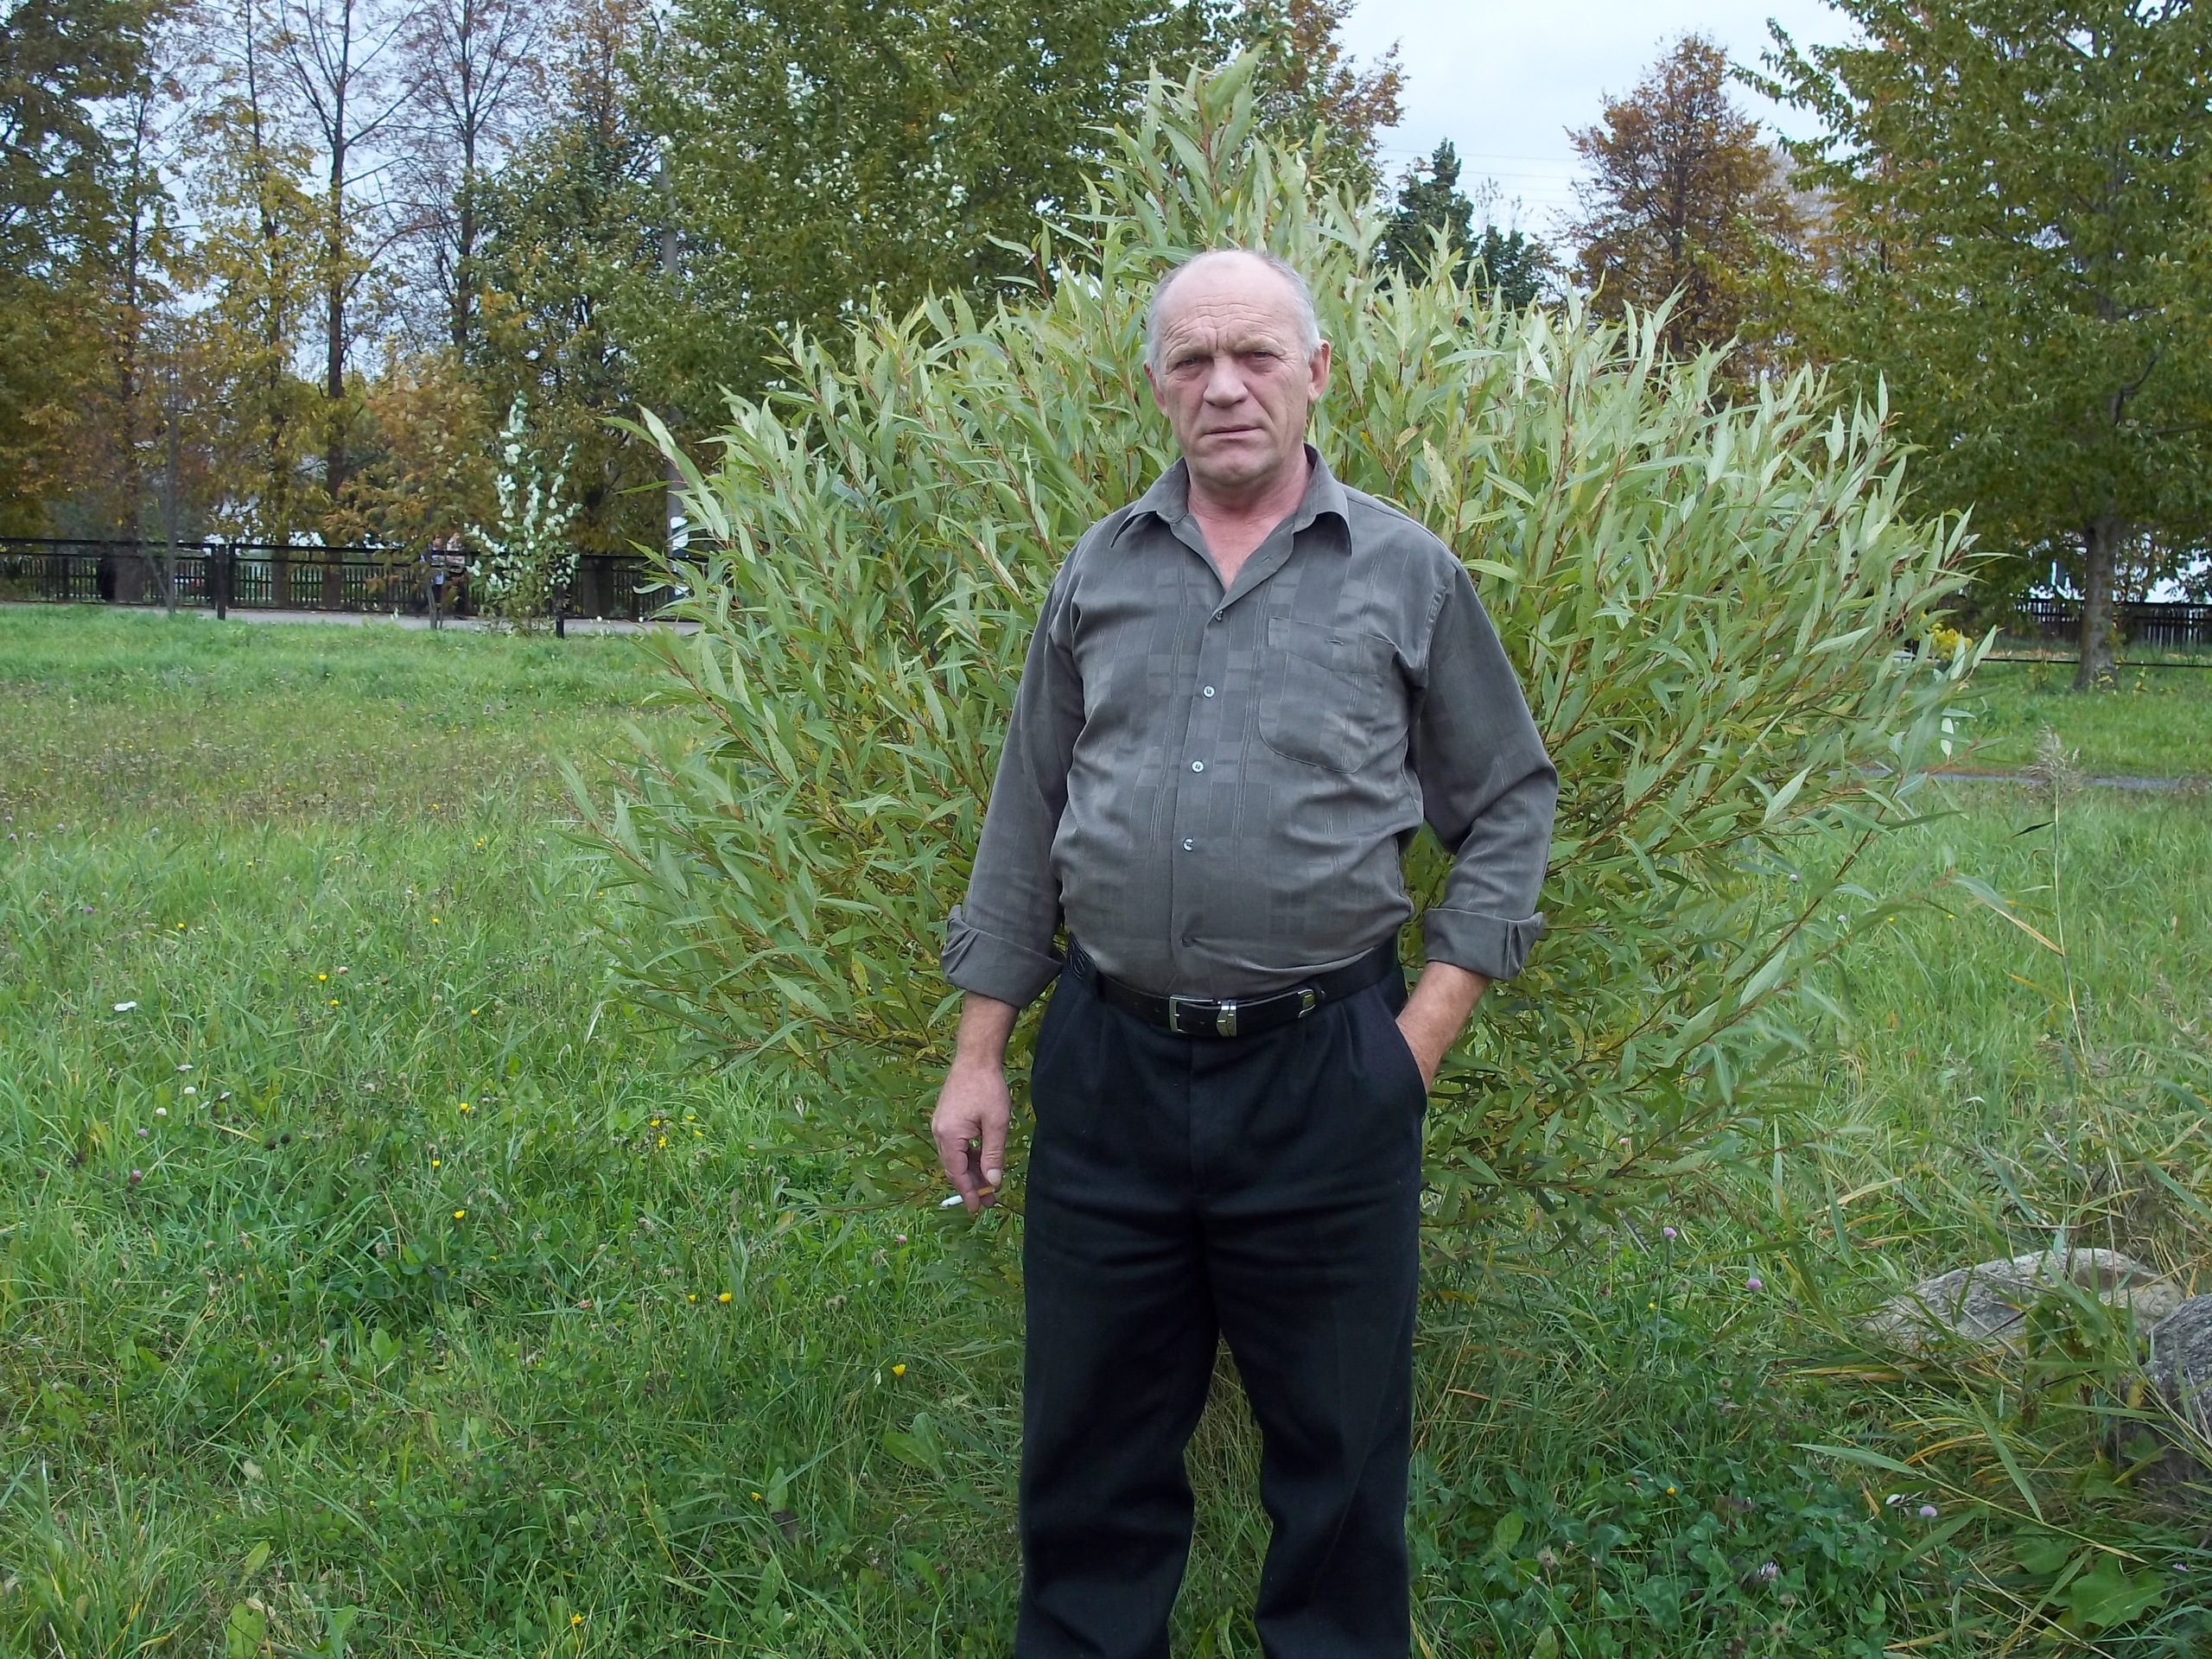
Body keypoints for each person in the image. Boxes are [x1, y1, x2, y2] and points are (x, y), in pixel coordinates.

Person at [931, 247, 1557, 1657]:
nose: (1226, 386)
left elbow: (1511, 800)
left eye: (1257, 355)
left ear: (1316, 374)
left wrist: (1415, 1044)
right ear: (1157, 387)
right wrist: (979, 1054)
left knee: (1339, 1481)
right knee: (1088, 1468)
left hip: (1329, 1076)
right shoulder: (1099, 571)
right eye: (1193, 360)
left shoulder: (1406, 573)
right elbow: (1027, 811)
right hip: (1108, 1073)